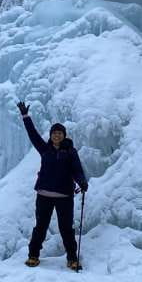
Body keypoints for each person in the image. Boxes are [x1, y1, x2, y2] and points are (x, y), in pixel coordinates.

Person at [16, 101, 89, 270]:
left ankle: (72, 258)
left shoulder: (71, 152)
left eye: (59, 133)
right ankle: (33, 256)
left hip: (64, 196)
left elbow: (77, 170)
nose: (56, 135)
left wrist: (82, 182)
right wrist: (25, 116)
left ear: (64, 135)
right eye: (54, 133)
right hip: (44, 195)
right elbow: (33, 135)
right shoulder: (45, 149)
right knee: (40, 227)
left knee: (66, 229)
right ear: (51, 135)